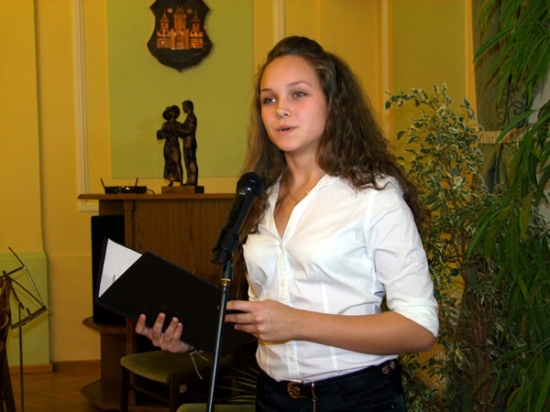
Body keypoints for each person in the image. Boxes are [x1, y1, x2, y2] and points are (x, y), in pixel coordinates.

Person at [137, 36, 438, 411]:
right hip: (273, 396)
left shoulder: (373, 195)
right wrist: (195, 337)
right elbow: (263, 317)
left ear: (333, 102)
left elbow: (419, 326)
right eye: (269, 99)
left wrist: (297, 323)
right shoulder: (258, 197)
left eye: (298, 94)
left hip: (356, 398)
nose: (281, 110)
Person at [157, 105, 184, 186]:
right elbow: (160, 135)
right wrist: (167, 134)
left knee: (177, 162)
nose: (173, 113)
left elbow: (183, 135)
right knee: (169, 163)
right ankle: (171, 180)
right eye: (171, 111)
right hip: (168, 146)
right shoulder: (165, 125)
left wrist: (178, 132)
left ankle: (180, 180)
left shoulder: (178, 124)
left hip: (175, 145)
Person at [181, 100, 199, 185]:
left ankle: (192, 180)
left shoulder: (191, 117)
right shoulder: (189, 117)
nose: (183, 108)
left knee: (191, 162)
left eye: (184, 106)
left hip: (190, 143)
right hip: (187, 143)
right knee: (187, 162)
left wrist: (180, 130)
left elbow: (189, 130)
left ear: (188, 107)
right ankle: (189, 180)